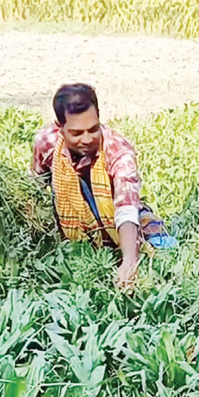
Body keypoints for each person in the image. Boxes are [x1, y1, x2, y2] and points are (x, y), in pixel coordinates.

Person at [30, 84, 176, 290]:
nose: (87, 139)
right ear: (59, 127)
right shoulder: (46, 143)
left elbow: (126, 207)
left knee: (163, 250)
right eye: (76, 133)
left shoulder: (118, 150)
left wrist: (129, 261)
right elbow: (34, 188)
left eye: (93, 129)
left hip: (113, 215)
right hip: (70, 219)